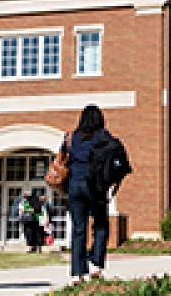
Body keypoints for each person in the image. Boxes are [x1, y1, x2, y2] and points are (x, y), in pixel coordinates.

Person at [65, 104, 112, 286]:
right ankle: (95, 263)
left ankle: (77, 273)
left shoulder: (72, 137)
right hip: (94, 185)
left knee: (78, 229)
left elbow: (64, 155)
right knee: (100, 224)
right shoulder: (103, 136)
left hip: (74, 185)